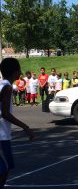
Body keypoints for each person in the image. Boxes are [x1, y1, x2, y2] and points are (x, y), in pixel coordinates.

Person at [0, 58, 34, 188]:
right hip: (2, 135)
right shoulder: (7, 88)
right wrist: (25, 127)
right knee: (4, 169)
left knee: (6, 168)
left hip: (3, 134)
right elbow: (5, 113)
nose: (20, 72)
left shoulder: (1, 85)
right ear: (15, 72)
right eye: (19, 69)